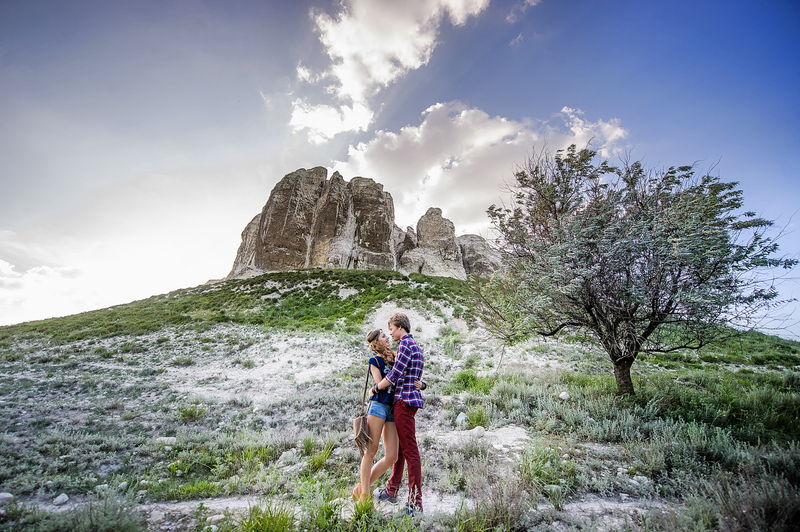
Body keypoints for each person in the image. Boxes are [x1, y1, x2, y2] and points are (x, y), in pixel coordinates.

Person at [353, 328, 427, 503]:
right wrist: (375, 388)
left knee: (392, 456)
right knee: (370, 451)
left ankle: (359, 489)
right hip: (379, 406)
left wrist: (421, 384)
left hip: (394, 407)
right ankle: (364, 496)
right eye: (383, 336)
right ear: (377, 342)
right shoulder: (375, 361)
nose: (387, 337)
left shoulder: (396, 356)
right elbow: (381, 383)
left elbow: (409, 375)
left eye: (387, 334)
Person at [371, 312, 425, 516]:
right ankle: (391, 490)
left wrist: (376, 388)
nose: (391, 333)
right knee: (402, 449)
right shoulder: (416, 346)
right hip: (410, 401)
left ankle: (415, 504)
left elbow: (395, 374)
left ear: (400, 327)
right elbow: (415, 376)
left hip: (403, 402)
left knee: (410, 451)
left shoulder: (404, 345)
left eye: (392, 329)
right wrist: (422, 385)